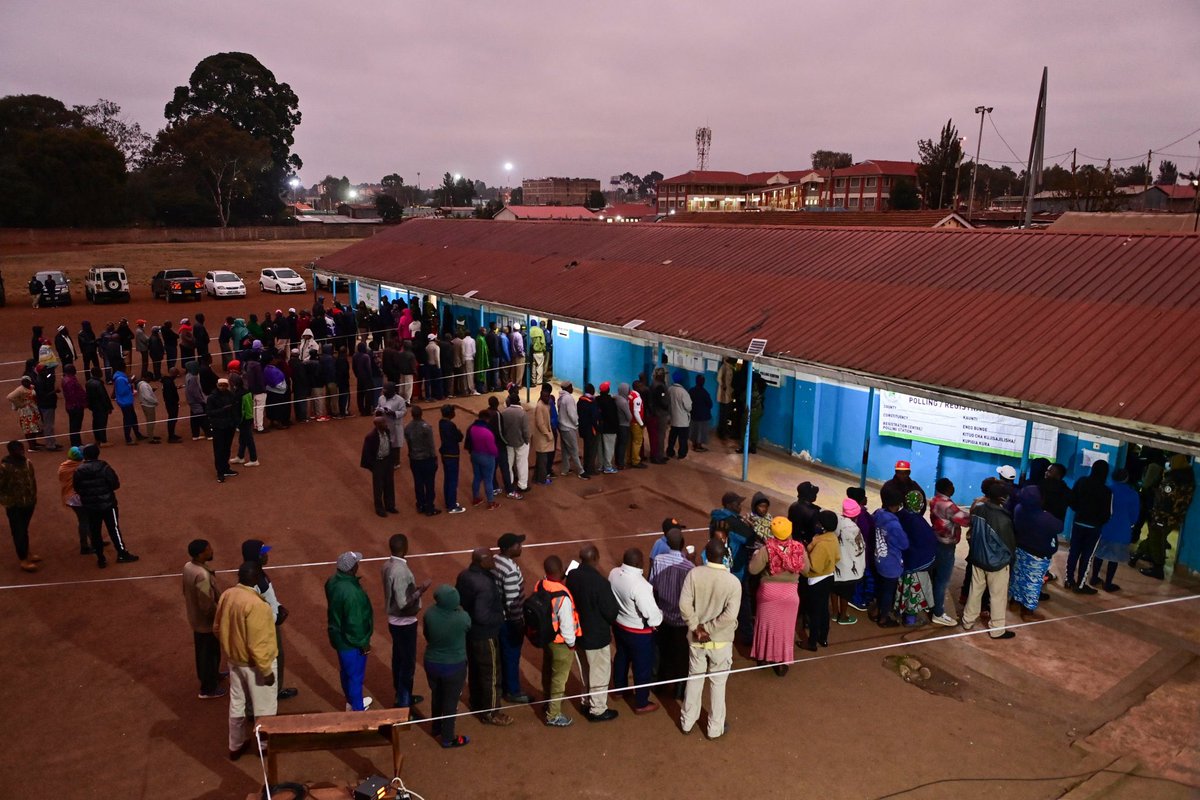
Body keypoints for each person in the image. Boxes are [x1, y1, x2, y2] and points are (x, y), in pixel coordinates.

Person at [214, 561, 278, 761]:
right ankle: (265, 746)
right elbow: (258, 644)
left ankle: (236, 744)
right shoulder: (258, 605)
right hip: (255, 665)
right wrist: (266, 671)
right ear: (257, 578)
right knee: (264, 707)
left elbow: (217, 627)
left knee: (237, 703)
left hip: (234, 661)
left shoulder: (227, 595)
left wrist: (232, 647)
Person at [678, 538, 741, 739]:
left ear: (706, 553)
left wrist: (698, 628)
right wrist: (708, 629)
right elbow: (730, 616)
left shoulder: (694, 574)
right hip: (721, 641)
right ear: (724, 556)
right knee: (718, 683)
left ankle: (687, 722)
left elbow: (684, 605)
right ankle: (715, 728)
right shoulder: (732, 582)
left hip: (697, 639)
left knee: (694, 678)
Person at [456, 548, 513, 726]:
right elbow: (482, 615)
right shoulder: (485, 585)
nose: (494, 562)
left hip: (470, 632)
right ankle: (491, 712)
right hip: (486, 634)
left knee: (475, 669)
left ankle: (476, 703)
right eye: (490, 559)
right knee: (492, 674)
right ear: (482, 561)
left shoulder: (464, 575)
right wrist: (501, 616)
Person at [565, 544, 620, 722]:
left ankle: (586, 701)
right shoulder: (601, 583)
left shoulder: (572, 575)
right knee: (599, 673)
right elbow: (611, 613)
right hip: (596, 636)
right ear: (596, 559)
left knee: (585, 670)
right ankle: (597, 709)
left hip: (578, 633)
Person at [241, 539, 297, 701]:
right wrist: (276, 617)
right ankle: (263, 699)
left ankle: (275, 690)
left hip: (271, 620)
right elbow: (257, 607)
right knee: (268, 659)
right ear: (256, 556)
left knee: (277, 657)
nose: (267, 556)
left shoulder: (257, 573)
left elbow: (269, 599)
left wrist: (278, 606)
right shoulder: (253, 579)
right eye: (263, 553)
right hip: (266, 626)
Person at [609, 547, 663, 714]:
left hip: (619, 625)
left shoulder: (613, 573)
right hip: (639, 633)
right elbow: (653, 617)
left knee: (622, 656)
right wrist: (660, 615)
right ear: (640, 563)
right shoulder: (641, 586)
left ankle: (619, 689)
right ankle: (641, 702)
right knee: (642, 667)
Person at [961, 481, 1017, 639]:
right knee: (997, 596)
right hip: (996, 563)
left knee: (975, 591)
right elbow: (1009, 545)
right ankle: (997, 629)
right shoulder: (1004, 519)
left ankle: (967, 620)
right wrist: (1010, 560)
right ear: (1002, 498)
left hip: (977, 558)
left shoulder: (978, 509)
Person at [747, 517, 804, 671]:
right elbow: (806, 569)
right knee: (785, 629)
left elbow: (753, 570)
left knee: (765, 626)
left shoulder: (767, 549)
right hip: (790, 594)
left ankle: (763, 658)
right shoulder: (799, 548)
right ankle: (781, 662)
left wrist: (755, 555)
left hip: (768, 593)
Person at [383, 534, 429, 709]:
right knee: (407, 664)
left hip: (394, 620)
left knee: (398, 659)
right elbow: (403, 603)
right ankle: (403, 702)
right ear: (405, 548)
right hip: (404, 622)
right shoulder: (400, 571)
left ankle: (402, 696)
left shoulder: (387, 565)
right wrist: (421, 591)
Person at [423, 584, 472, 748]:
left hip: (432, 663)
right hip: (454, 666)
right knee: (450, 702)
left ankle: (436, 727)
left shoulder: (429, 614)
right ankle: (448, 738)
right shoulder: (462, 617)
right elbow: (468, 628)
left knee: (436, 695)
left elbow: (427, 635)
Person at [73, 443, 138, 567]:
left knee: (95, 532)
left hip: (90, 507)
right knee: (114, 529)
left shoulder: (79, 471)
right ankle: (121, 553)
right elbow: (115, 484)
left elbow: (77, 488)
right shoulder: (105, 467)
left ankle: (101, 558)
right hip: (108, 504)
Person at [1132, 454, 1195, 580]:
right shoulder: (1188, 479)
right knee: (1155, 538)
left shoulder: (1173, 480)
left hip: (1163, 517)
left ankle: (1157, 567)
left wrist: (1157, 516)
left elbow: (1165, 501)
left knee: (1156, 540)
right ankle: (1140, 555)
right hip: (1174, 518)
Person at [326, 551, 375, 711]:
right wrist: (363, 643)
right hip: (351, 641)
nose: (358, 565)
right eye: (356, 563)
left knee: (346, 672)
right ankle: (358, 711)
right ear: (351, 568)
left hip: (338, 636)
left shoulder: (332, 581)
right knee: (355, 677)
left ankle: (351, 702)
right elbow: (356, 623)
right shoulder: (352, 593)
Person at [650, 528, 695, 695]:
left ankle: (661, 686)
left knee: (664, 651)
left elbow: (653, 586)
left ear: (667, 543)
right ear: (683, 544)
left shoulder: (658, 560)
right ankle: (679, 689)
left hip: (663, 615)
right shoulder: (688, 566)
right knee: (681, 655)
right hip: (681, 620)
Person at [534, 555, 578, 727]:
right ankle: (553, 714)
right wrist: (572, 644)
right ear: (561, 571)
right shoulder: (563, 597)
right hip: (561, 643)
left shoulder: (540, 584)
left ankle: (548, 701)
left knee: (548, 671)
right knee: (559, 678)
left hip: (547, 638)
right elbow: (567, 627)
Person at [1010, 485, 1062, 621]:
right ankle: (1027, 612)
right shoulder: (1045, 517)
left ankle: (1014, 602)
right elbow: (1059, 526)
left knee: (1018, 576)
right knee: (1033, 583)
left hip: (1020, 549)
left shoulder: (1019, 509)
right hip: (1038, 555)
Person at [183, 539, 225, 699]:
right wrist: (219, 619)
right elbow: (207, 604)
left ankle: (213, 675)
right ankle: (208, 688)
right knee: (208, 654)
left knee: (206, 652)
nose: (212, 551)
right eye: (208, 549)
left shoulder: (189, 566)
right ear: (201, 554)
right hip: (205, 623)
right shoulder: (201, 576)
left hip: (195, 618)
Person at [493, 532, 531, 703]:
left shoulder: (496, 560)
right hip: (509, 621)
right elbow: (513, 602)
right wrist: (519, 623)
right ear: (509, 549)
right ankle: (513, 691)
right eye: (517, 545)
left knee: (502, 654)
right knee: (511, 655)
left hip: (498, 616)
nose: (520, 547)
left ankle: (502, 686)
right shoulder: (509, 571)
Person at [928, 478, 971, 627]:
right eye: (952, 486)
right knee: (942, 580)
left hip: (935, 540)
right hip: (945, 545)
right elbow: (965, 520)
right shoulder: (948, 506)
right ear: (947, 489)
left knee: (935, 576)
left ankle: (932, 604)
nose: (954, 488)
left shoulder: (935, 500)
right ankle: (938, 613)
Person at [1066, 460, 1112, 594]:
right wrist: (1098, 522)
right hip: (1093, 528)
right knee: (1087, 556)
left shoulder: (1082, 481)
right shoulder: (1106, 490)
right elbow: (1107, 513)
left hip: (1078, 523)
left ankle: (1069, 580)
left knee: (1073, 551)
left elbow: (1072, 500)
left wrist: (1079, 512)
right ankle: (1080, 585)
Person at [1091, 470, 1137, 591]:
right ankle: (1108, 583)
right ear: (1126, 478)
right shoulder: (1132, 494)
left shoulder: (1107, 490)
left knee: (1099, 554)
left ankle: (1094, 578)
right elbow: (1134, 515)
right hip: (1122, 529)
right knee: (1114, 558)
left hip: (1104, 526)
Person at [0, 440, 41, 573]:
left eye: (21, 449)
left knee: (24, 529)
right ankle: (23, 559)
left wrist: (33, 497)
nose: (21, 452)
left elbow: (32, 480)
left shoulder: (28, 463)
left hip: (29, 503)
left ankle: (27, 552)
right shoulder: (4, 467)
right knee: (18, 532)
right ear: (11, 452)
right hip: (15, 505)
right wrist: (7, 501)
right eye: (18, 450)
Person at [896, 495, 937, 626]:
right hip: (918, 563)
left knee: (903, 589)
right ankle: (910, 620)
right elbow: (927, 542)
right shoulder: (918, 522)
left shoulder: (901, 516)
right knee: (915, 592)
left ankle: (899, 613)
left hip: (904, 561)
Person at [872, 487, 908, 627]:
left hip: (879, 558)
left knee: (881, 587)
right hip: (891, 563)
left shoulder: (878, 514)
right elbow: (904, 544)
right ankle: (883, 618)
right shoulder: (893, 524)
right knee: (888, 591)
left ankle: (876, 611)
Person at [802, 512, 840, 648]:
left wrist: (805, 554)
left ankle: (812, 642)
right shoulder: (833, 538)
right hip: (829, 576)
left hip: (816, 581)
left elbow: (814, 567)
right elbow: (837, 557)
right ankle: (823, 638)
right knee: (824, 610)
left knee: (815, 613)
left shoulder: (820, 544)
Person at [833, 498, 866, 625]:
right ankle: (843, 617)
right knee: (846, 593)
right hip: (849, 567)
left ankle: (835, 613)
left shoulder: (837, 521)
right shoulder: (854, 528)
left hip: (836, 564)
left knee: (834, 589)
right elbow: (859, 547)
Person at [404, 405, 439, 515]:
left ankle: (420, 505)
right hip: (427, 459)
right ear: (421, 414)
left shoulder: (407, 427)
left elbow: (409, 443)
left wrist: (411, 455)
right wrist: (434, 458)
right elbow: (431, 445)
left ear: (412, 415)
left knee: (418, 483)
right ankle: (430, 508)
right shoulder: (426, 427)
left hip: (414, 459)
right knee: (429, 484)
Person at [361, 414, 398, 517]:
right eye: (383, 423)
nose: (386, 424)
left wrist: (392, 460)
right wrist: (373, 466)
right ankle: (379, 508)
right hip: (378, 463)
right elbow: (367, 454)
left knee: (389, 484)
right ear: (377, 425)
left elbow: (390, 446)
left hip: (388, 461)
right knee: (378, 487)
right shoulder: (370, 437)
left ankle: (390, 506)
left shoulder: (387, 431)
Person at [465, 410, 501, 509]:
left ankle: (476, 498)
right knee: (488, 480)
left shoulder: (472, 428)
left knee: (477, 477)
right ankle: (491, 502)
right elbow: (493, 449)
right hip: (487, 457)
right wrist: (496, 455)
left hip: (475, 455)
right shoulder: (487, 433)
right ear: (487, 419)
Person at [207, 378, 239, 483]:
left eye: (224, 385)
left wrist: (234, 422)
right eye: (220, 385)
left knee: (227, 448)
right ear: (217, 385)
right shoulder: (212, 398)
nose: (222, 387)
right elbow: (210, 412)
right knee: (219, 450)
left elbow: (235, 408)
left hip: (229, 426)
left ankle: (226, 468)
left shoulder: (231, 395)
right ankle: (220, 472)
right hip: (218, 427)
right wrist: (223, 410)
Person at [500, 395, 531, 493]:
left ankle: (510, 482)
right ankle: (522, 485)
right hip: (521, 442)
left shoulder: (504, 412)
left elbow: (502, 429)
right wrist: (527, 440)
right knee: (522, 463)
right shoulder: (522, 413)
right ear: (519, 402)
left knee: (508, 463)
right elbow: (525, 430)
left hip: (508, 442)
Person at [438, 405, 466, 513]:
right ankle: (452, 506)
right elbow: (459, 437)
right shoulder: (450, 425)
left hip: (445, 454)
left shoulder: (441, 422)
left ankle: (448, 502)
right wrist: (458, 432)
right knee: (453, 480)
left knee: (448, 479)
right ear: (450, 413)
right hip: (452, 455)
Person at [556, 381, 584, 478]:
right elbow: (572, 414)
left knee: (565, 450)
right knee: (574, 449)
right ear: (567, 388)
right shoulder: (569, 399)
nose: (572, 388)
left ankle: (565, 469)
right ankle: (581, 471)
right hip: (569, 427)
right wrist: (577, 423)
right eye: (571, 387)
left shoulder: (561, 397)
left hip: (562, 426)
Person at [7, 376, 43, 450]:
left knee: (34, 427)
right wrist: (20, 404)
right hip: (26, 412)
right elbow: (10, 397)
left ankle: (34, 443)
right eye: (23, 381)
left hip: (33, 410)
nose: (25, 383)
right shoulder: (20, 389)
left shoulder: (31, 387)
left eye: (27, 381)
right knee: (29, 429)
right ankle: (31, 447)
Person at [665, 370, 693, 459]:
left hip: (673, 419)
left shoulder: (669, 389)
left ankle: (670, 451)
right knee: (683, 439)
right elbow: (689, 407)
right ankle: (682, 454)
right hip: (683, 421)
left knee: (672, 438)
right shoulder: (683, 392)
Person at [377, 382, 407, 464]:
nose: (384, 392)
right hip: (384, 425)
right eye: (383, 390)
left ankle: (396, 462)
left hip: (395, 425)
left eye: (386, 390)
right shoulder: (381, 398)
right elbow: (378, 407)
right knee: (385, 442)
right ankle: (386, 459)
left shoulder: (400, 400)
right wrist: (378, 411)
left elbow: (404, 412)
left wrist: (393, 413)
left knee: (395, 445)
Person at [532, 386, 555, 485]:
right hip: (542, 437)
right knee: (543, 460)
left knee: (541, 460)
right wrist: (548, 434)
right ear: (541, 396)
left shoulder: (546, 405)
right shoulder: (540, 406)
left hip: (544, 437)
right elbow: (540, 424)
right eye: (545, 396)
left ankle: (536, 477)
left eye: (548, 396)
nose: (547, 398)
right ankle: (542, 479)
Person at [596, 381, 619, 473]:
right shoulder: (610, 401)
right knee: (609, 448)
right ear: (608, 390)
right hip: (609, 428)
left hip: (600, 427)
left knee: (600, 448)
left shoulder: (597, 399)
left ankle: (601, 466)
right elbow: (612, 416)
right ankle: (608, 467)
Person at [688, 375, 713, 452]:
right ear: (703, 382)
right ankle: (699, 446)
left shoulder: (691, 391)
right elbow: (710, 404)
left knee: (693, 430)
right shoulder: (705, 393)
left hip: (693, 415)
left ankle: (694, 444)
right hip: (703, 416)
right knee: (701, 431)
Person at [626, 381, 646, 468]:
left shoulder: (630, 395)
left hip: (630, 422)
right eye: (641, 386)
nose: (642, 388)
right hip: (636, 423)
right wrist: (641, 423)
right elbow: (636, 412)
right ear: (637, 387)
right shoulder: (637, 398)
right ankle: (636, 461)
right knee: (637, 442)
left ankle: (629, 459)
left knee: (630, 441)